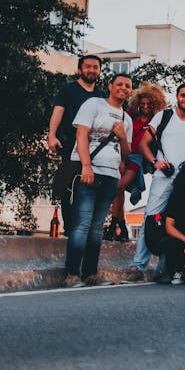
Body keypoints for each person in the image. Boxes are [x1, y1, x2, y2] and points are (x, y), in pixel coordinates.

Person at [128, 83, 185, 282]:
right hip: (163, 176)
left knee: (181, 224)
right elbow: (143, 144)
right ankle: (138, 266)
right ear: (177, 96)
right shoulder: (164, 116)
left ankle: (169, 269)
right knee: (150, 219)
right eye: (183, 95)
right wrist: (155, 162)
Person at [63, 73, 133, 288]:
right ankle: (71, 274)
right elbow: (81, 135)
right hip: (89, 171)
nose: (123, 88)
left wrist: (122, 136)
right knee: (82, 223)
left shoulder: (127, 119)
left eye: (128, 86)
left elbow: (126, 154)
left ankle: (90, 274)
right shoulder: (94, 104)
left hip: (111, 175)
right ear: (110, 86)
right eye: (119, 84)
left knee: (96, 227)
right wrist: (86, 166)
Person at [49, 54, 106, 235]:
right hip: (70, 144)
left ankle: (85, 228)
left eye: (95, 67)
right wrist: (52, 135)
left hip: (95, 149)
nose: (91, 70)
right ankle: (70, 228)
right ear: (79, 69)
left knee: (91, 187)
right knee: (69, 186)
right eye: (88, 66)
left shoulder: (102, 95)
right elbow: (58, 112)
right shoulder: (68, 89)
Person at [107, 82, 167, 242]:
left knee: (118, 187)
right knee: (118, 191)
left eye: (149, 104)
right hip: (121, 153)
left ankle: (115, 226)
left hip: (137, 158)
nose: (145, 107)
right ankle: (120, 226)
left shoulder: (156, 120)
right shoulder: (130, 115)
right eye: (143, 104)